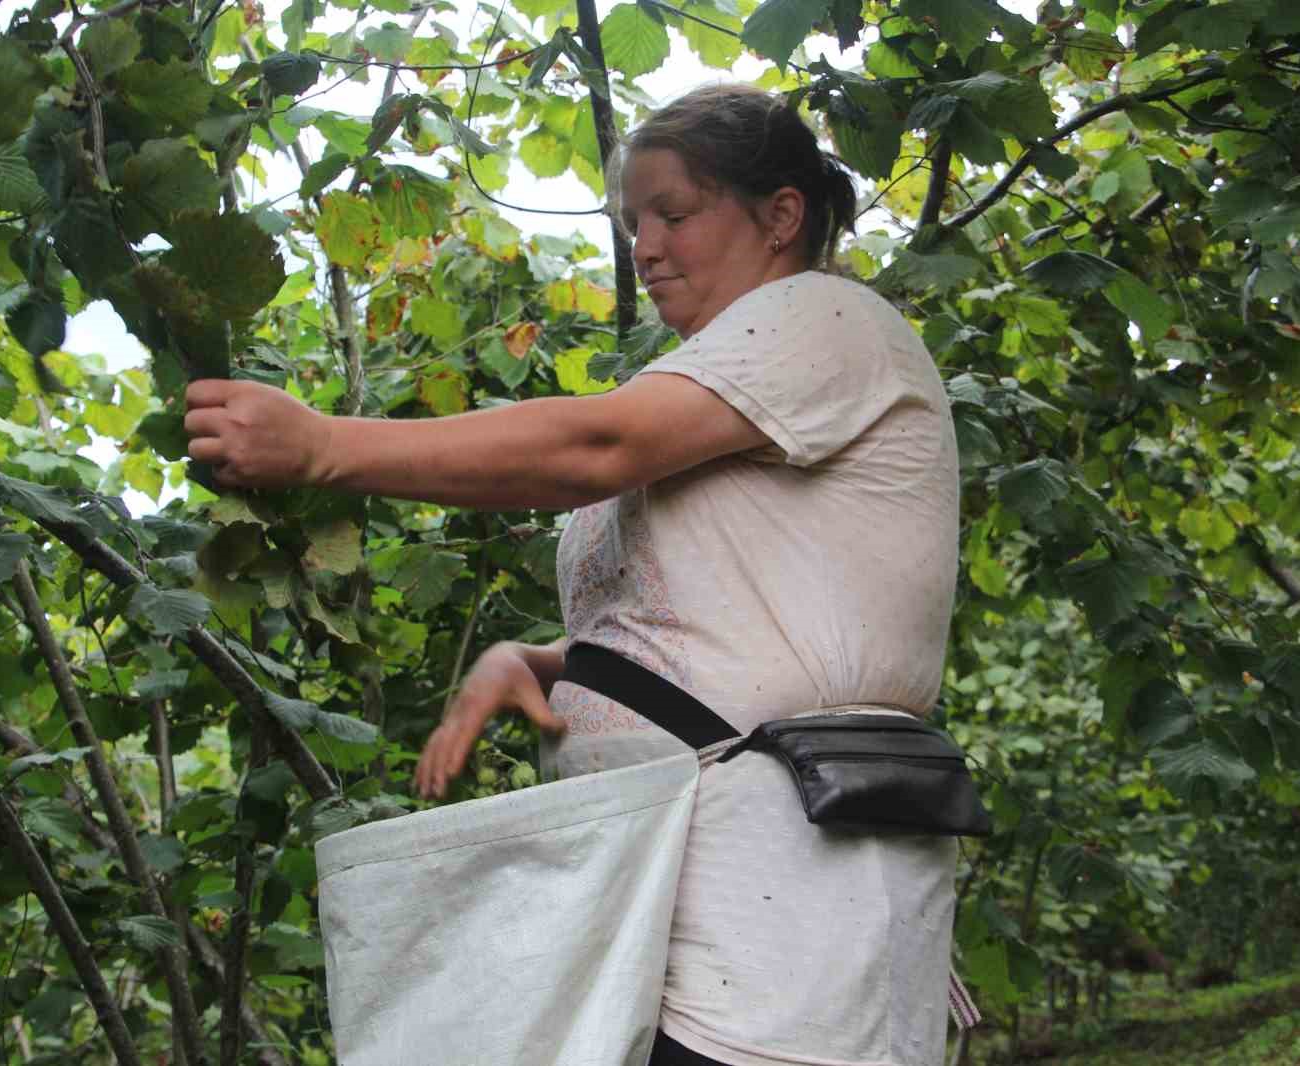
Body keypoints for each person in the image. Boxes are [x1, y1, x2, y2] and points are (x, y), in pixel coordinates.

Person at [185, 83, 961, 1066]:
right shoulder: (717, 385)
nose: (645, 246)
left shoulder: (824, 317)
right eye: (634, 222)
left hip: (784, 909)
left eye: (673, 213)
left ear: (780, 216)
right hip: (662, 906)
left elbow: (598, 443)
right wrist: (553, 662)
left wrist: (326, 447)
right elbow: (744, 617)